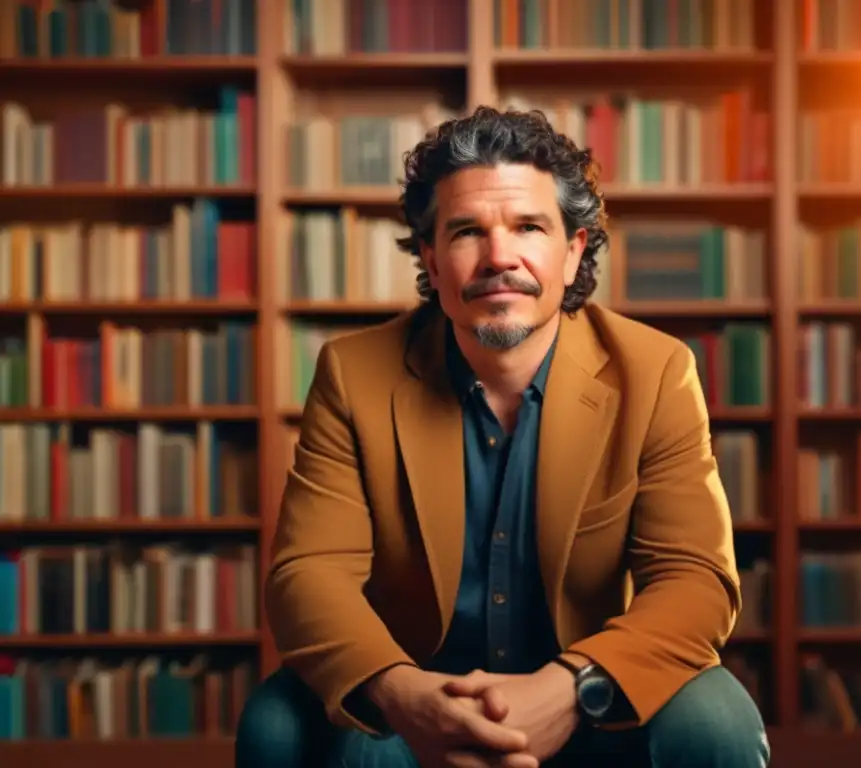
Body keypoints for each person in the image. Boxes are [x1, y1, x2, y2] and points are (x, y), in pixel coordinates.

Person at [235, 105, 769, 768]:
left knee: (715, 720)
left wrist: (571, 687)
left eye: (528, 226)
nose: (499, 257)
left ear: (572, 252)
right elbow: (307, 575)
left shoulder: (656, 371)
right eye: (466, 232)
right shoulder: (353, 373)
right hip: (419, 689)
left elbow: (695, 579)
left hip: (592, 698)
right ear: (429, 257)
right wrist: (403, 695)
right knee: (277, 725)